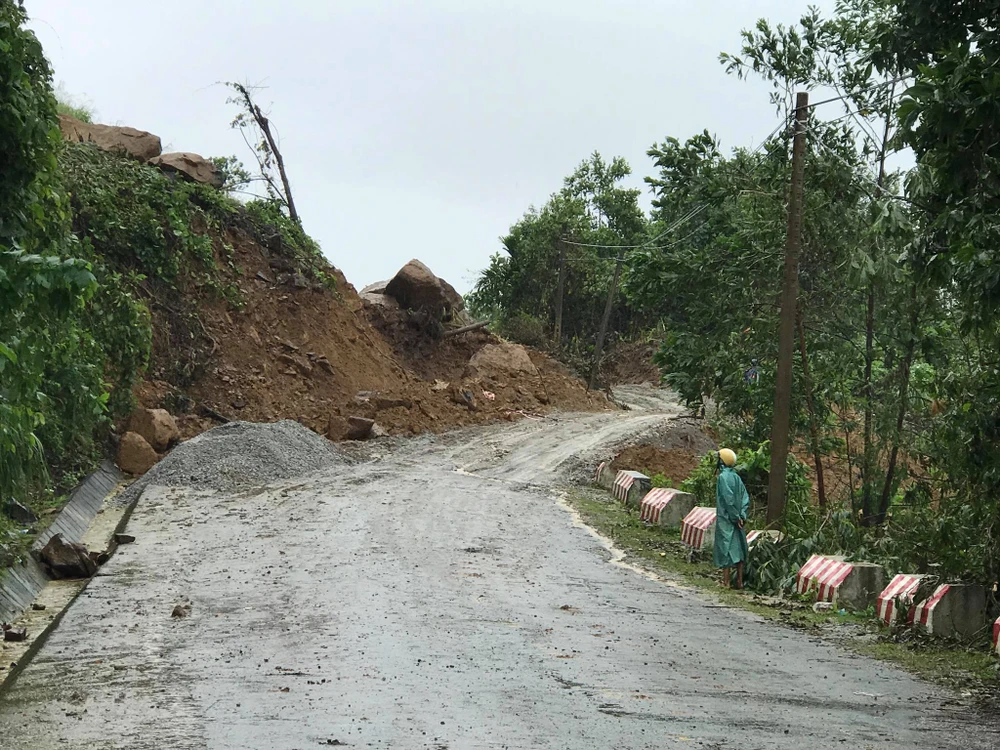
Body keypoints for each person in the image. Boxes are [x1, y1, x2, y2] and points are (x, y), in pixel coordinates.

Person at [714, 448, 750, 589]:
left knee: (726, 548)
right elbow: (745, 498)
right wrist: (742, 516)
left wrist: (734, 517)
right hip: (738, 519)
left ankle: (726, 582)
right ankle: (739, 581)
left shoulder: (723, 478)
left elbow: (728, 500)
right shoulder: (736, 477)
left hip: (726, 518)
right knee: (739, 549)